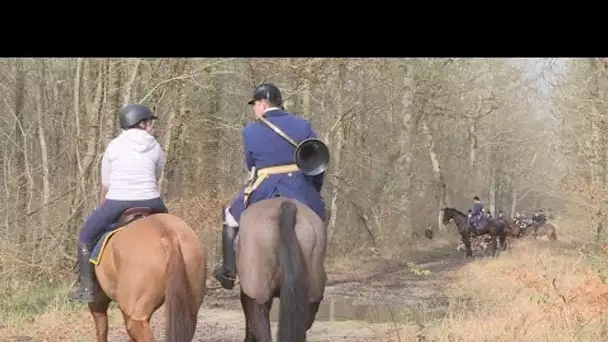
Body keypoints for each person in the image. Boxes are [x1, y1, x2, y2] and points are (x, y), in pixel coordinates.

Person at [213, 83, 326, 290]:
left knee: (230, 213)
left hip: (266, 185)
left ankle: (229, 270)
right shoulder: (303, 125)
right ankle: (317, 263)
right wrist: (313, 191)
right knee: (318, 217)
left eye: (255, 104)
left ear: (264, 104)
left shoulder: (251, 129)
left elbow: (251, 163)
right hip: (300, 186)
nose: (254, 109)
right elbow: (318, 161)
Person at [67, 104, 169, 302]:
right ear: (141, 123)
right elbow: (157, 175)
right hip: (152, 200)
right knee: (175, 232)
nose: (151, 127)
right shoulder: (155, 146)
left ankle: (86, 288)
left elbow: (106, 182)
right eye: (149, 122)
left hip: (118, 201)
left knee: (85, 236)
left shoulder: (113, 146)